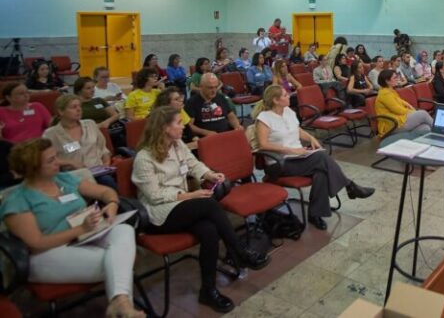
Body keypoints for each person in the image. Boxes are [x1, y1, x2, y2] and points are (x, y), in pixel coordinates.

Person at [132, 106, 269, 313]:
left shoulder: (177, 145)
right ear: (164, 128)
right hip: (157, 214)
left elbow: (194, 165)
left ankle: (208, 290)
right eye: (178, 123)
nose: (183, 126)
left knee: (209, 230)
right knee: (207, 203)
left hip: (179, 205)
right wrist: (190, 195)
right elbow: (154, 196)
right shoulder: (144, 158)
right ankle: (239, 252)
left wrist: (209, 175)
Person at [0, 138, 142, 317]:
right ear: (33, 168)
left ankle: (119, 303)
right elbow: (37, 243)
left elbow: (105, 192)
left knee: (124, 230)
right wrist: (80, 229)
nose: (58, 162)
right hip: (46, 254)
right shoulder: (18, 201)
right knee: (120, 260)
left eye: (56, 157)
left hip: (84, 238)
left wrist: (112, 203)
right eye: (51, 160)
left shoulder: (64, 179)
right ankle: (122, 303)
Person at [253, 85, 375, 230]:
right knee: (321, 157)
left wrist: (311, 137)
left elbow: (296, 130)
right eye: (285, 95)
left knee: (321, 173)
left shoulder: (288, 112)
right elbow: (263, 145)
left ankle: (315, 214)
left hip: (298, 157)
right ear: (275, 100)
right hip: (278, 163)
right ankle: (349, 186)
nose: (289, 96)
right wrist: (291, 150)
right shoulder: (264, 118)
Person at [43, 95, 117, 189]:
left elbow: (102, 148)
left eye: (79, 106)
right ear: (61, 111)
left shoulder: (90, 124)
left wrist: (106, 162)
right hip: (73, 176)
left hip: (98, 171)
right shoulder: (51, 134)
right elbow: (46, 159)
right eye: (74, 107)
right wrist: (68, 162)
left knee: (107, 181)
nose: (78, 109)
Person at [374, 70, 433, 136]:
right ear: (387, 81)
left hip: (400, 119)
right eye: (395, 78)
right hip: (392, 125)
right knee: (423, 114)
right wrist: (412, 111)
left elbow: (401, 101)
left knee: (425, 128)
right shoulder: (384, 94)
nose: (397, 79)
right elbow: (398, 110)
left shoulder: (390, 90)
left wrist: (409, 106)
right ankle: (443, 131)